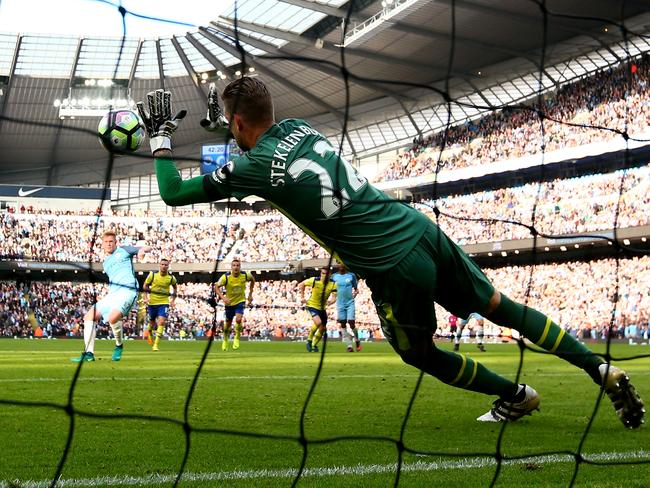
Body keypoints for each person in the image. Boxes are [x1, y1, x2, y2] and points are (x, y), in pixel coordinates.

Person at [137, 81, 644, 427]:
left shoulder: (252, 167)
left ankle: (516, 396)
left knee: (417, 354)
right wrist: (225, 128)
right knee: (501, 306)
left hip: (390, 262)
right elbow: (259, 145)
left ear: (238, 122)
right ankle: (600, 369)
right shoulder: (299, 128)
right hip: (418, 228)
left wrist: (162, 139)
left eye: (231, 125)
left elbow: (172, 193)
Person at [71, 230, 151, 362]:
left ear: (115, 243)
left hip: (128, 292)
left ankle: (119, 345)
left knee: (113, 318)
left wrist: (142, 251)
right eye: (106, 242)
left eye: (111, 242)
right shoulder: (105, 263)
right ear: (102, 244)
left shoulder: (124, 251)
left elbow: (147, 247)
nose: (109, 244)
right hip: (112, 294)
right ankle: (89, 354)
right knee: (89, 317)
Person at [214, 258, 255, 351]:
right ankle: (225, 339)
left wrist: (250, 294)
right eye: (234, 265)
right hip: (229, 303)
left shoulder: (245, 275)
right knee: (227, 324)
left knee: (239, 319)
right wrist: (223, 297)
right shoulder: (226, 277)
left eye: (238, 265)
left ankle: (237, 337)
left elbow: (252, 280)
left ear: (240, 267)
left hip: (240, 301)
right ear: (231, 267)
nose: (236, 267)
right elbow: (216, 287)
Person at [143, 258, 178, 352]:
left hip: (163, 303)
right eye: (162, 264)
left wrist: (173, 299)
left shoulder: (171, 278)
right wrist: (145, 297)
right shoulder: (153, 275)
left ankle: (155, 345)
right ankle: (149, 332)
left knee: (161, 322)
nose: (164, 266)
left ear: (168, 266)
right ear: (159, 265)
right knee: (152, 322)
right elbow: (145, 286)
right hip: (152, 302)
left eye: (166, 265)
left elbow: (175, 288)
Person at [299, 266, 337, 352]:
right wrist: (302, 297)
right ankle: (309, 340)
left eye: (326, 274)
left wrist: (331, 302)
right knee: (318, 322)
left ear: (330, 275)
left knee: (323, 329)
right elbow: (301, 284)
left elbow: (334, 298)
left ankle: (314, 345)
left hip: (322, 308)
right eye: (323, 273)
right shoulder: (314, 280)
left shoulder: (333, 284)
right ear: (320, 273)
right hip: (312, 305)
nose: (324, 275)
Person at [330, 262, 361, 352]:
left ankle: (357, 340)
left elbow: (356, 289)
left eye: (342, 264)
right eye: (339, 264)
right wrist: (331, 299)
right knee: (343, 323)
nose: (341, 266)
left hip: (350, 302)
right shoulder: (334, 277)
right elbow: (331, 289)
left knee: (351, 322)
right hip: (340, 303)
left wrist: (355, 293)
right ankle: (349, 345)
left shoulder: (351, 276)